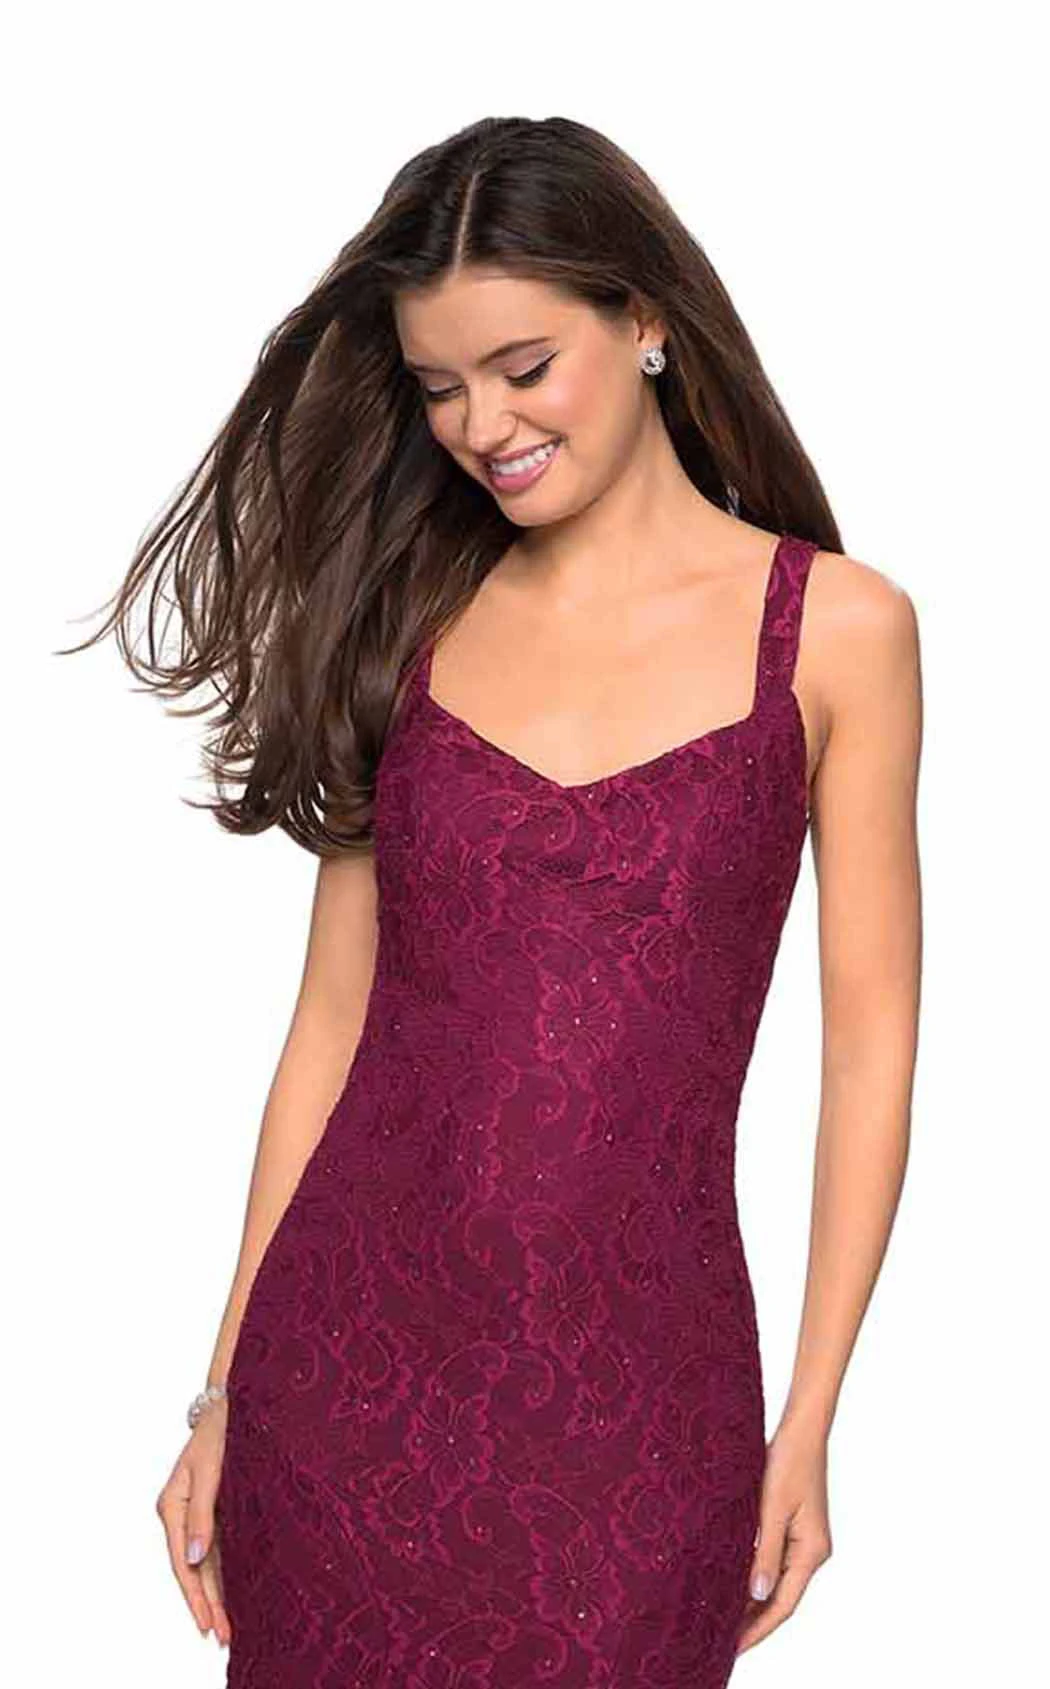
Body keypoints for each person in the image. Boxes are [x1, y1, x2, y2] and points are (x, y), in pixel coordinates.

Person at [74, 114, 922, 1686]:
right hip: (342, 1388)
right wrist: (224, 1390)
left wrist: (808, 1420)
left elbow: (867, 1049)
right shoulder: (413, 621)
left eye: (523, 367)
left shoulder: (836, 634)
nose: (482, 425)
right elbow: (331, 1026)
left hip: (643, 1409)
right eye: (440, 386)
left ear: (642, 316)